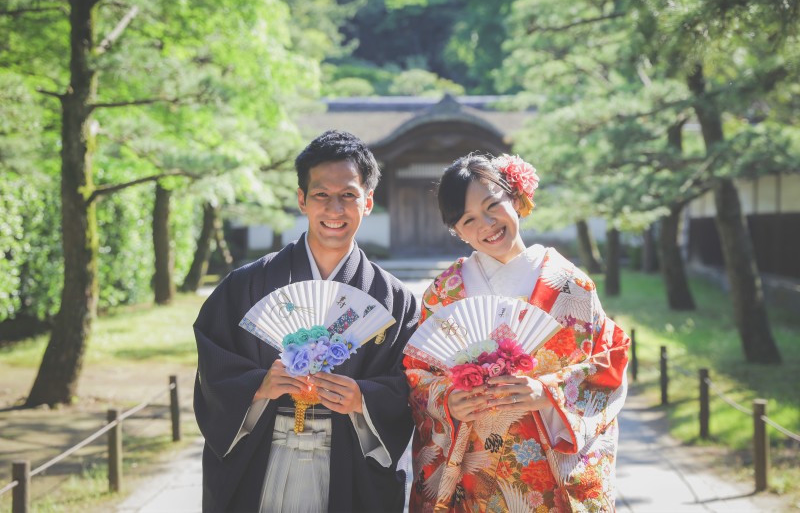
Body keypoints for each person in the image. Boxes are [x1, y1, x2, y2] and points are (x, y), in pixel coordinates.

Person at [194, 130, 419, 512]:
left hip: (350, 460)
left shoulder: (394, 299)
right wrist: (259, 385)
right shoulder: (246, 286)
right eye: (321, 195)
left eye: (348, 195)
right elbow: (213, 370)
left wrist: (363, 399)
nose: (335, 209)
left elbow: (411, 388)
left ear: (367, 203)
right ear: (302, 200)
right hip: (263, 450)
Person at [404, 153, 629, 512]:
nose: (487, 224)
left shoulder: (570, 286)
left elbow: (609, 364)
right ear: (457, 231)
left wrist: (548, 391)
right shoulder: (445, 293)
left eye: (493, 205)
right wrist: (447, 401)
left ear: (516, 198)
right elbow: (418, 374)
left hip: (546, 468)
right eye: (468, 220)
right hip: (471, 472)